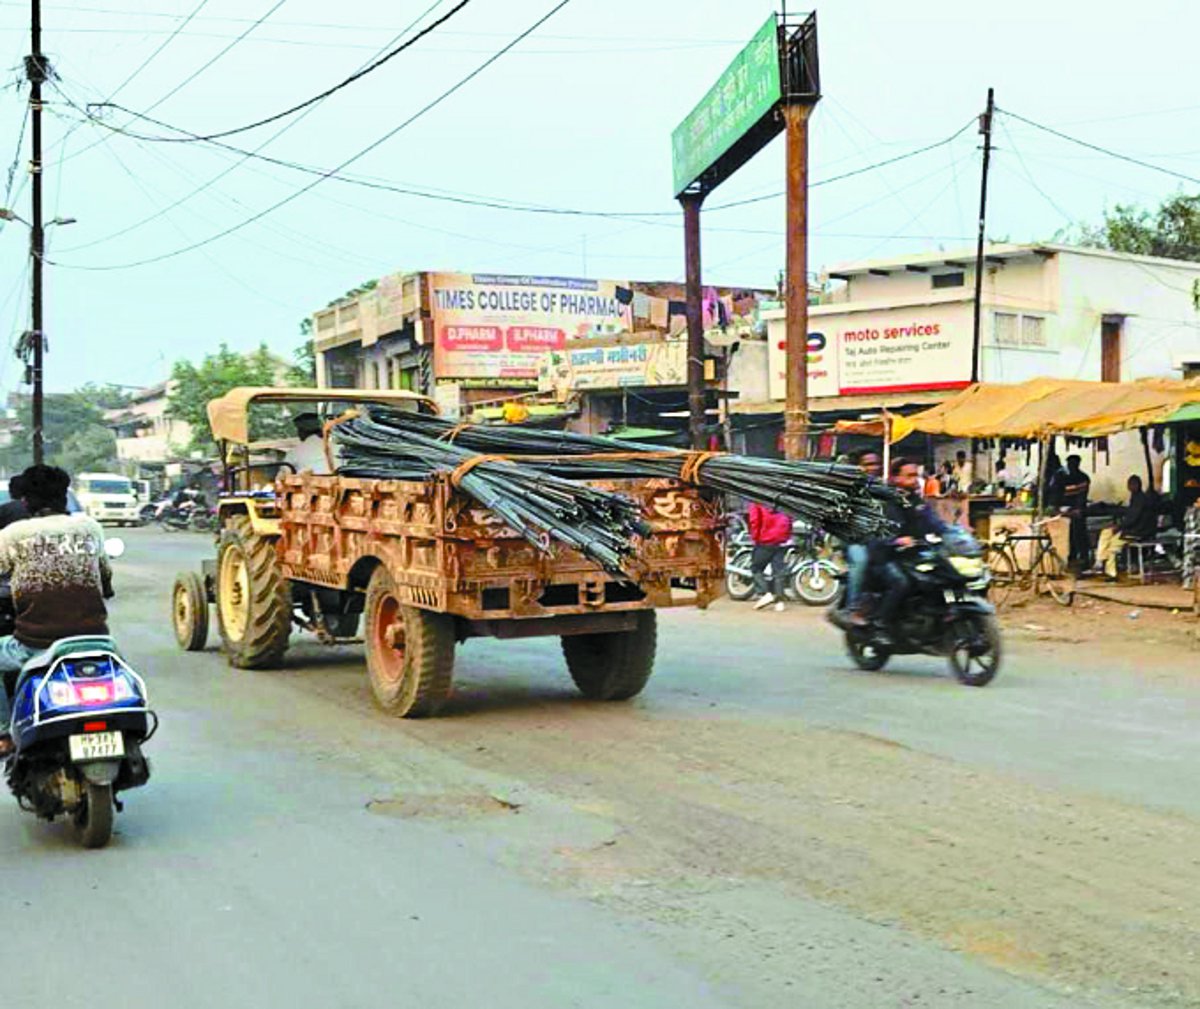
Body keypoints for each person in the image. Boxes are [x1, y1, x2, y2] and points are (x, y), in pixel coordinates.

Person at [0, 465, 112, 753]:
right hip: (96, 639)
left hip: (34, 644)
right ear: (65, 495)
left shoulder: (13, 535)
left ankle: (4, 733)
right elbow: (105, 577)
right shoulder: (90, 527)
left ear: (25, 502)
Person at [867, 458, 949, 642]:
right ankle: (881, 625)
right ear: (895, 478)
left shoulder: (916, 501)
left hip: (913, 554)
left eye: (916, 476)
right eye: (909, 476)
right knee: (901, 583)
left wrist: (953, 533)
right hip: (885, 556)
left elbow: (933, 522)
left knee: (941, 576)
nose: (915, 480)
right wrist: (895, 540)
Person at [1093, 475, 1158, 579]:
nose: (1129, 487)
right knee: (1106, 532)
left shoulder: (1140, 499)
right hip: (1133, 529)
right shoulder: (1136, 498)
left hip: (1138, 531)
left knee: (1112, 546)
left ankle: (1107, 568)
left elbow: (1133, 518)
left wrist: (1119, 526)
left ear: (1136, 485)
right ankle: (1100, 560)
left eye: (1131, 484)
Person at [747, 501, 792, 612]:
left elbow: (754, 521)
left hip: (765, 541)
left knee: (756, 568)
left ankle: (764, 593)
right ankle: (779, 602)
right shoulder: (783, 499)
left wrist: (755, 538)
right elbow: (790, 519)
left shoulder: (757, 502)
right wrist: (787, 536)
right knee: (778, 571)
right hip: (781, 540)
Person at [1061, 454, 1092, 570]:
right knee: (1070, 537)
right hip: (1068, 511)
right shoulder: (1064, 477)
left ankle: (1083, 559)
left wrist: (1077, 509)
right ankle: (1072, 558)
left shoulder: (1083, 478)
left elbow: (1081, 496)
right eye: (1069, 464)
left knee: (1080, 536)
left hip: (1078, 512)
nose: (1070, 466)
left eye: (1073, 464)